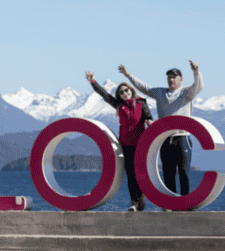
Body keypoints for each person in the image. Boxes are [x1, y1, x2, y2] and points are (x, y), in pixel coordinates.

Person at [119, 60, 202, 196]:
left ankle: (185, 205)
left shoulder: (187, 92)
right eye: (169, 77)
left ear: (181, 79)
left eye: (174, 77)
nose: (171, 79)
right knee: (168, 173)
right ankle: (171, 204)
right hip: (165, 139)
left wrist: (196, 72)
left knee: (183, 172)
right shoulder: (160, 93)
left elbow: (198, 87)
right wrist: (129, 75)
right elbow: (144, 87)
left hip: (182, 138)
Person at [85, 72, 153, 211]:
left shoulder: (141, 103)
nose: (124, 93)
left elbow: (149, 119)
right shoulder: (118, 105)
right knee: (130, 175)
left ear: (131, 90)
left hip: (140, 145)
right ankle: (133, 203)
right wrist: (93, 82)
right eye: (121, 92)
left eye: (126, 90)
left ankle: (141, 199)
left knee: (139, 174)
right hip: (126, 146)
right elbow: (104, 95)